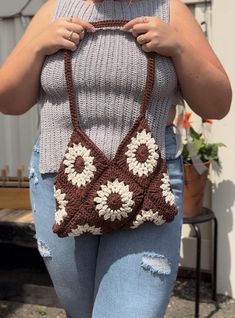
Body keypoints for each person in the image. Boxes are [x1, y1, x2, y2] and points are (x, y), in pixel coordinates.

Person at [0, 0, 231, 317]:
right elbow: (9, 100)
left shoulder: (171, 12)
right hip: (62, 185)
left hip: (148, 186)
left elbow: (217, 105)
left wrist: (179, 48)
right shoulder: (53, 10)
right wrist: (38, 46)